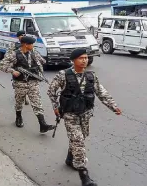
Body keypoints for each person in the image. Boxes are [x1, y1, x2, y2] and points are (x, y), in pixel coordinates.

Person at [47, 48, 122, 186]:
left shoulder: (91, 76)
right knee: (79, 142)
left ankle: (70, 159)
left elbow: (101, 92)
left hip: (85, 114)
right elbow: (51, 91)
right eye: (81, 58)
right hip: (70, 115)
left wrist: (113, 106)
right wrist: (55, 107)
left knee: (79, 139)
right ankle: (84, 176)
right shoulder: (63, 75)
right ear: (73, 60)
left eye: (86, 57)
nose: (85, 60)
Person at [0, 36, 55, 133]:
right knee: (19, 101)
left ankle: (43, 124)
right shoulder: (14, 54)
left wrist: (39, 63)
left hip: (33, 82)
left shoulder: (34, 52)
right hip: (20, 83)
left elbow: (42, 61)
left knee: (37, 102)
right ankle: (18, 117)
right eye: (31, 44)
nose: (33, 46)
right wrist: (12, 71)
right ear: (25, 44)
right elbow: (1, 65)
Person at [7, 30, 29, 105]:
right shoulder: (14, 45)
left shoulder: (28, 43)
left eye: (24, 35)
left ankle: (25, 96)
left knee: (27, 80)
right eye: (21, 35)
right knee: (18, 80)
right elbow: (8, 55)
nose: (23, 36)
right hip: (17, 65)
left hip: (26, 65)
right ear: (18, 37)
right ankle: (19, 93)